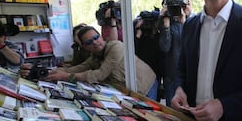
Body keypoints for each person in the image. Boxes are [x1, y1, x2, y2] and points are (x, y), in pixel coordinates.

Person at [20, 26, 158, 100]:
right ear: (84, 47)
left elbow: (100, 74)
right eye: (89, 42)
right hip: (128, 89)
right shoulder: (94, 56)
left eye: (96, 37)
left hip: (146, 86)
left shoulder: (116, 46)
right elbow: (78, 68)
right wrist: (50, 72)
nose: (96, 42)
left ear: (101, 36)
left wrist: (65, 77)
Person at [159, 0, 190, 106]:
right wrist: (166, 26)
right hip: (171, 76)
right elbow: (165, 47)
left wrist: (184, 21)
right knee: (171, 112)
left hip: (187, 76)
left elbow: (190, 45)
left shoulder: (192, 23)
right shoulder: (169, 24)